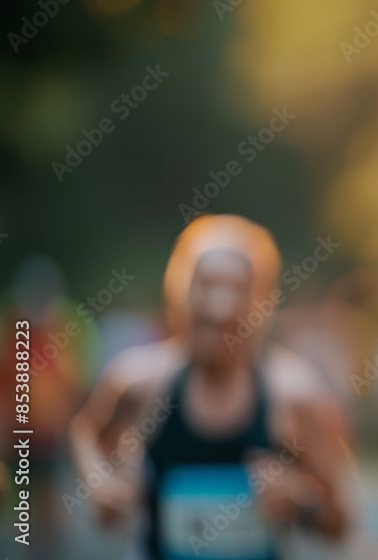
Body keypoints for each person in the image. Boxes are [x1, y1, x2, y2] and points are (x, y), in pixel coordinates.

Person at [68, 214, 348, 559]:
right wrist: (100, 481)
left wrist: (301, 501)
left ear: (262, 301)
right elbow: (85, 430)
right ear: (180, 291)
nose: (219, 306)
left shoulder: (294, 396)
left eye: (237, 289)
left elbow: (339, 523)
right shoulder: (140, 383)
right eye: (207, 285)